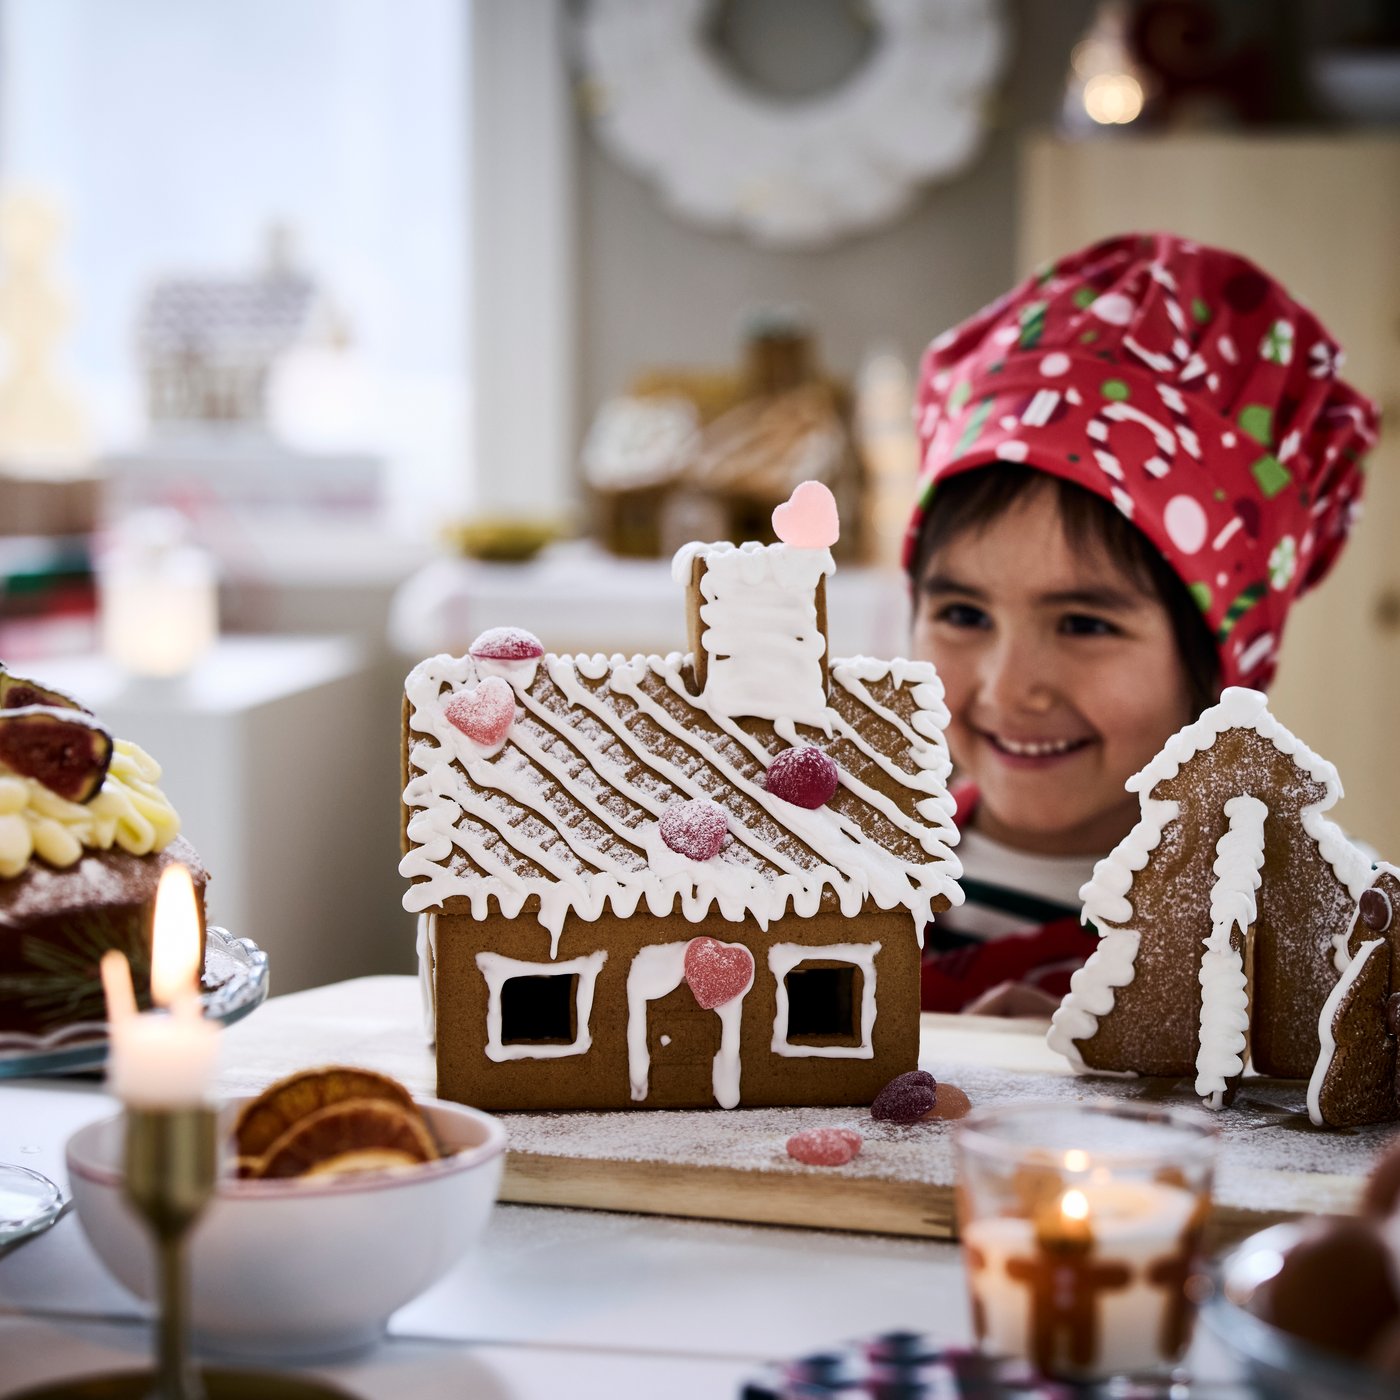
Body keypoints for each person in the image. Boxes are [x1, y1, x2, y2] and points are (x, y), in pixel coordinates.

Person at [903, 232, 1379, 1016]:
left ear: (1222, 668)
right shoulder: (854, 875)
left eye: (1084, 624)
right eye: (963, 613)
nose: (1008, 686)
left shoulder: (1321, 938)